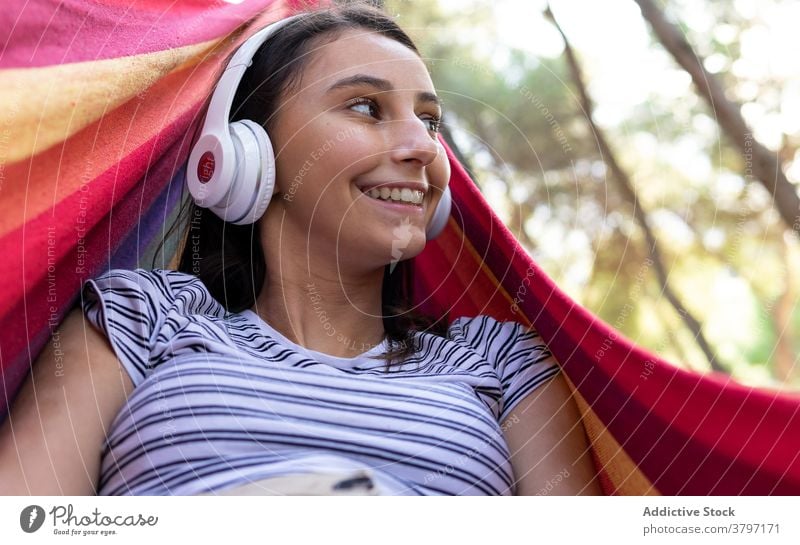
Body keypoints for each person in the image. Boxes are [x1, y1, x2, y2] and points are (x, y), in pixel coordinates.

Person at [0, 3, 600, 496]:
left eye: (430, 120)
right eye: (366, 106)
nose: (422, 145)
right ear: (247, 152)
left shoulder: (500, 361)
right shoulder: (142, 318)